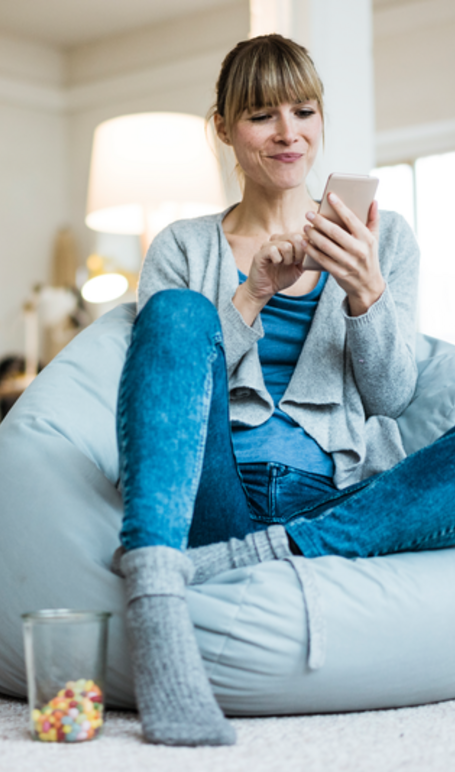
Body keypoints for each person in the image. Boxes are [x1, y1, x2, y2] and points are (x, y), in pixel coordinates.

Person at [113, 34, 455, 748]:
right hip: (217, 491)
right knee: (178, 313)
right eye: (262, 115)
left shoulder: (382, 237)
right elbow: (170, 385)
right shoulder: (183, 246)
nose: (288, 132)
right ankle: (153, 593)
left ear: (322, 119)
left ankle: (255, 557)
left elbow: (392, 397)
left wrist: (365, 288)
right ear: (225, 129)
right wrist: (252, 296)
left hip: (341, 497)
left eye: (304, 110)